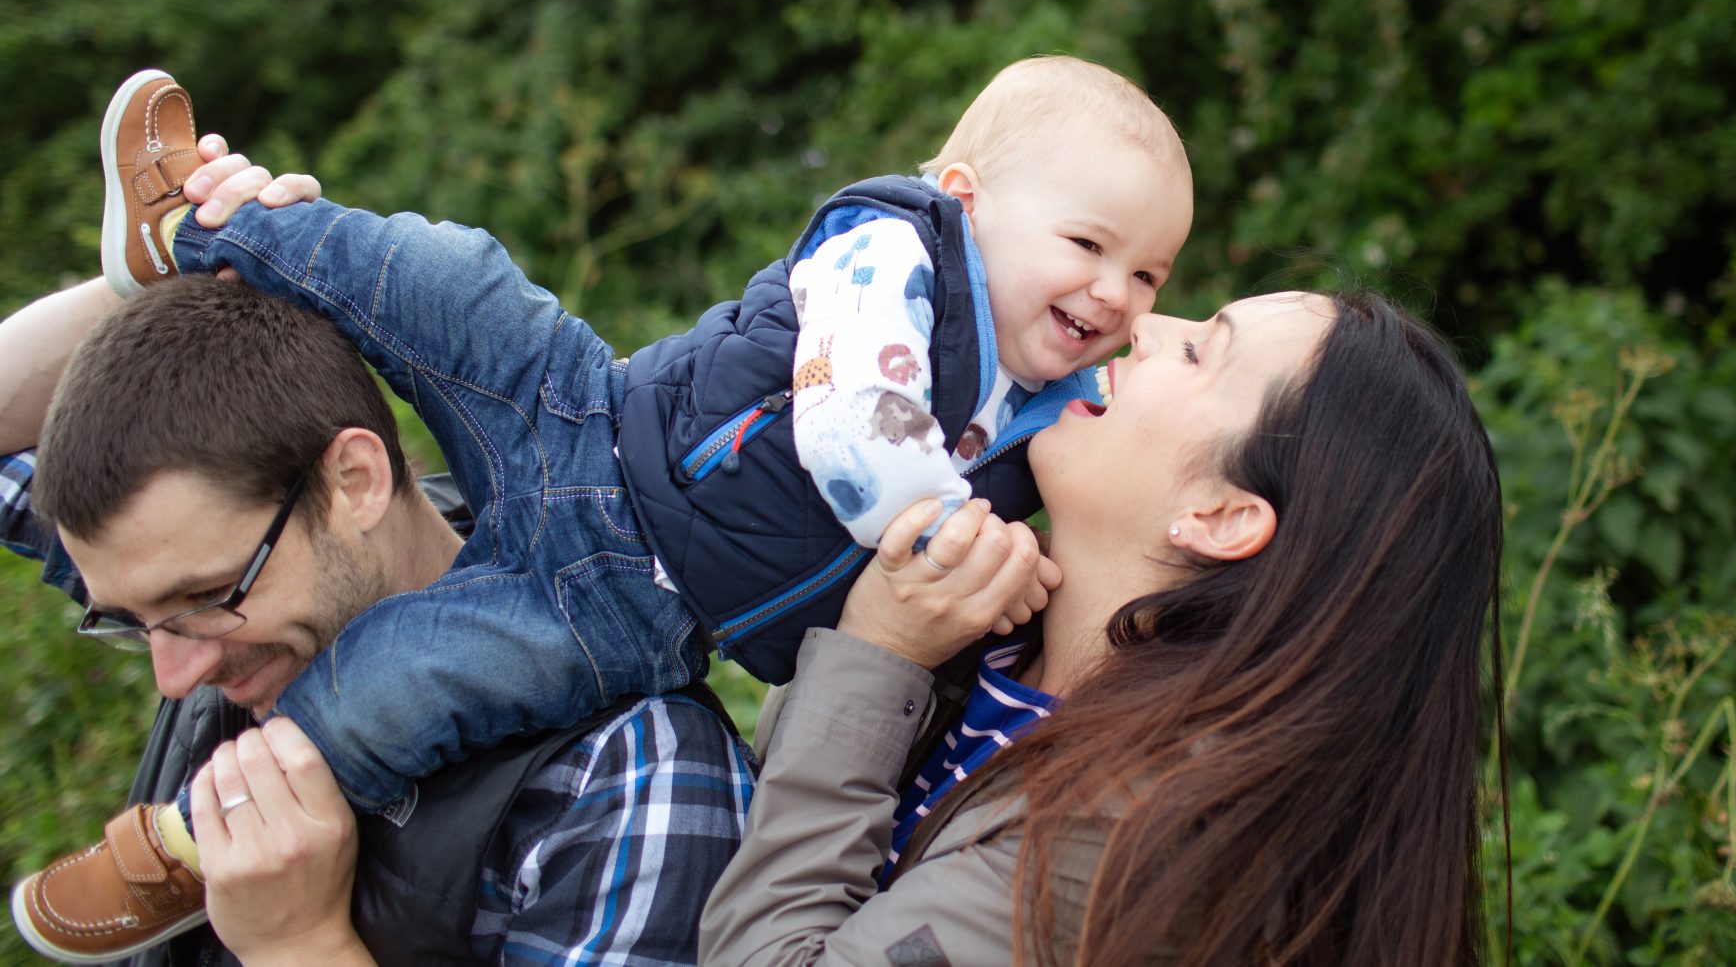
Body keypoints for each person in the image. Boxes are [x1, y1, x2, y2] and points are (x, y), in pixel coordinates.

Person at [20, 56, 1192, 960]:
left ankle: (171, 852)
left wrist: (296, 946)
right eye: (1087, 244)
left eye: (1148, 275)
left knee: (387, 696)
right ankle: (187, 222)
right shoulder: (892, 251)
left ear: (353, 481)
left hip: (623, 615)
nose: (1115, 293)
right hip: (587, 418)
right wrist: (151, 291)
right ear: (964, 196)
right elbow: (854, 420)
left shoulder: (637, 790)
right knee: (449, 278)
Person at [700, 289, 1508, 966]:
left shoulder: (1122, 852)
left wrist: (877, 652)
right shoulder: (988, 641)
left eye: (1199, 353)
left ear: (1221, 516)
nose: (1150, 324)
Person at [2, 269, 755, 966]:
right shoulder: (179, 565)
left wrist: (299, 943)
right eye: (131, 619)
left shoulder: (634, 770)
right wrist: (170, 256)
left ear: (355, 482)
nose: (176, 676)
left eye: (206, 598)